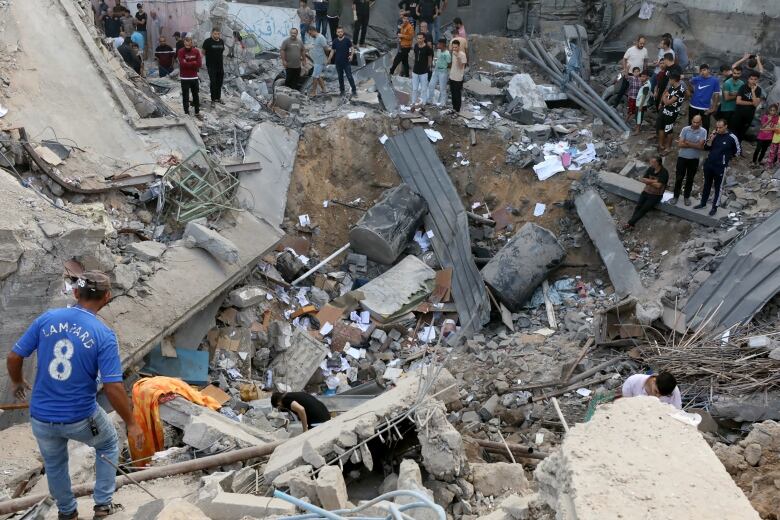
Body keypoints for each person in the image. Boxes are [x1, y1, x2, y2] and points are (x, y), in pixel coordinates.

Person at [6, 271, 145, 520]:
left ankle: (67, 513)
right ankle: (102, 506)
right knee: (108, 443)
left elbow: (14, 356)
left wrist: (17, 381)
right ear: (107, 297)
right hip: (80, 417)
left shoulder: (47, 319)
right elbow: (113, 388)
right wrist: (132, 423)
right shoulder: (103, 334)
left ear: (75, 293)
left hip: (41, 417)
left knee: (55, 465)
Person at [694, 119, 740, 216]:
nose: (718, 129)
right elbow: (706, 147)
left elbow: (738, 151)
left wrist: (727, 158)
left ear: (726, 126)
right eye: (717, 127)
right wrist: (711, 139)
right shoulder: (714, 135)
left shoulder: (732, 137)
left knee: (718, 187)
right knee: (707, 184)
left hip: (720, 167)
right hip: (709, 164)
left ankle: (715, 207)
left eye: (720, 127)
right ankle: (703, 203)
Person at [623, 156, 669, 229]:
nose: (651, 163)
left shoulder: (664, 172)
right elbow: (643, 179)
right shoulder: (651, 169)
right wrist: (654, 181)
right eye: (651, 162)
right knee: (638, 206)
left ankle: (629, 223)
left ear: (658, 163)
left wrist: (649, 181)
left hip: (656, 195)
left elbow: (658, 186)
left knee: (644, 209)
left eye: (653, 162)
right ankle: (632, 224)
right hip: (646, 191)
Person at [671, 115, 707, 206]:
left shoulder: (703, 131)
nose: (695, 124)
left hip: (694, 159)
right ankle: (675, 196)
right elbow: (680, 144)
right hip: (682, 157)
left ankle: (686, 197)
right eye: (694, 122)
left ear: (700, 122)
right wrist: (695, 145)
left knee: (690, 179)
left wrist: (687, 142)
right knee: (679, 178)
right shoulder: (685, 129)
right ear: (691, 120)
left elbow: (700, 146)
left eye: (697, 122)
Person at [656, 72, 685, 155]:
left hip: (672, 113)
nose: (668, 80)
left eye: (670, 79)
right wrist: (663, 101)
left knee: (669, 130)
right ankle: (661, 145)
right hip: (664, 110)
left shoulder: (680, 90)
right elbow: (664, 95)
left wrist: (664, 98)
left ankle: (668, 148)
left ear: (673, 80)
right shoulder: (672, 87)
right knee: (661, 127)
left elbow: (668, 102)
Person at [687, 64, 720, 133]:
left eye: (704, 70)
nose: (702, 72)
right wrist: (691, 91)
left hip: (705, 107)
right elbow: (689, 82)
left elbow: (716, 95)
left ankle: (704, 142)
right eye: (701, 71)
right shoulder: (697, 78)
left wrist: (713, 108)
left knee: (705, 126)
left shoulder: (715, 81)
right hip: (693, 105)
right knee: (690, 124)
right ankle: (689, 138)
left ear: (709, 70)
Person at [732, 71, 763, 144]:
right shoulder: (743, 87)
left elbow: (755, 105)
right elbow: (738, 101)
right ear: (748, 79)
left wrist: (753, 91)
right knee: (734, 131)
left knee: (742, 133)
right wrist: (751, 103)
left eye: (755, 79)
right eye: (751, 79)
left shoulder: (758, 90)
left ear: (757, 80)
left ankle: (737, 149)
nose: (753, 81)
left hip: (749, 116)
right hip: (738, 114)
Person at [616, 36, 648, 105]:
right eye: (641, 43)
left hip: (639, 75)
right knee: (623, 89)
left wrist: (645, 69)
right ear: (637, 42)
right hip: (629, 74)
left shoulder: (645, 50)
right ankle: (615, 104)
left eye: (643, 44)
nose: (642, 45)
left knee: (637, 90)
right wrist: (625, 70)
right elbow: (624, 59)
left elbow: (645, 60)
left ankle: (635, 106)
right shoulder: (630, 50)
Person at [177, 36, 202, 117]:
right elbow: (182, 64)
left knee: (196, 95)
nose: (187, 45)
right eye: (186, 44)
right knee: (185, 96)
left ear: (192, 43)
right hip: (184, 78)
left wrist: (188, 62)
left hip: (194, 77)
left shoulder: (196, 51)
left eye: (189, 44)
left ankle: (197, 112)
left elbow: (199, 64)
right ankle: (186, 113)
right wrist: (193, 63)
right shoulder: (181, 51)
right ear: (184, 43)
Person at [329, 26, 356, 97]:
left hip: (346, 62)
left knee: (349, 76)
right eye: (338, 32)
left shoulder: (347, 40)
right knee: (340, 77)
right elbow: (332, 51)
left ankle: (354, 91)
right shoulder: (335, 41)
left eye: (341, 32)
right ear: (336, 33)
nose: (340, 33)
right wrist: (328, 59)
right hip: (338, 63)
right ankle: (342, 91)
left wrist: (351, 55)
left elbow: (352, 48)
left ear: (343, 32)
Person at [202, 28, 225, 104]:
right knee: (213, 82)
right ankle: (213, 99)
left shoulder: (221, 41)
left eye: (218, 34)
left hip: (220, 66)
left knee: (219, 82)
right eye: (215, 34)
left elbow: (221, 52)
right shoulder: (207, 42)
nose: (217, 35)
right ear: (212, 33)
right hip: (211, 66)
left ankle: (218, 98)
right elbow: (203, 52)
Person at [410, 33, 432, 111]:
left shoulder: (427, 48)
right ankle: (413, 103)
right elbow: (414, 56)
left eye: (420, 38)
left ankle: (423, 104)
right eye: (418, 38)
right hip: (415, 71)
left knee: (423, 89)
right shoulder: (416, 46)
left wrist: (429, 66)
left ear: (423, 39)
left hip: (424, 72)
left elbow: (430, 57)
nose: (419, 40)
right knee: (415, 89)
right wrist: (412, 67)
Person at [307, 26, 330, 96]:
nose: (310, 35)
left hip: (320, 61)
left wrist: (328, 59)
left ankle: (314, 92)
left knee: (314, 76)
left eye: (310, 33)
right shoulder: (315, 38)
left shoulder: (321, 37)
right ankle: (324, 89)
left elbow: (326, 49)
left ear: (313, 30)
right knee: (318, 75)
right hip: (316, 61)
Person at [427, 38, 450, 106]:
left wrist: (444, 68)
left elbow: (449, 64)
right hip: (436, 70)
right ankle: (430, 100)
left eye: (439, 44)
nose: (437, 45)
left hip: (443, 72)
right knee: (431, 85)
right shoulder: (439, 51)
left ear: (443, 44)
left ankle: (443, 103)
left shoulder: (447, 54)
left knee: (442, 88)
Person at [719, 65, 744, 129]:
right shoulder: (727, 83)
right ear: (732, 72)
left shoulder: (742, 83)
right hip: (726, 109)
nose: (736, 75)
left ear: (741, 74)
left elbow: (742, 96)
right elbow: (727, 98)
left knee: (733, 128)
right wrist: (738, 95)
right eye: (734, 73)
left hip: (736, 109)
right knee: (724, 128)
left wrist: (735, 95)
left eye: (738, 73)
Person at [449, 38, 466, 113]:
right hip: (452, 76)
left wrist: (457, 56)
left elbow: (460, 66)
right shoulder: (453, 53)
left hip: (458, 78)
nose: (454, 49)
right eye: (453, 47)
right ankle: (454, 109)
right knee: (452, 94)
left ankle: (457, 110)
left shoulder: (462, 55)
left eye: (456, 47)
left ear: (459, 47)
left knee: (457, 95)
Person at [634, 69, 652, 134]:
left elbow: (644, 96)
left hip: (641, 104)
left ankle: (638, 130)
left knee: (639, 117)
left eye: (643, 76)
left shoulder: (646, 85)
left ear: (647, 77)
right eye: (641, 76)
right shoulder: (646, 83)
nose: (641, 78)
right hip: (640, 103)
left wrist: (640, 106)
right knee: (638, 116)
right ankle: (637, 128)